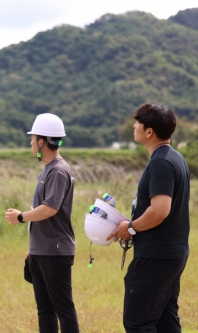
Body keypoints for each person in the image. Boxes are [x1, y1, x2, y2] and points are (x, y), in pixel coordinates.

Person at [108, 102, 190, 333]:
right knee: (165, 321)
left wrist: (131, 227)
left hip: (156, 256)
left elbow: (160, 210)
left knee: (138, 323)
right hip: (172, 254)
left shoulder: (161, 163)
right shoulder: (175, 158)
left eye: (138, 123)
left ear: (149, 131)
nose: (134, 126)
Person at [5, 113, 79, 333]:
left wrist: (20, 216)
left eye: (32, 138)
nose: (30, 143)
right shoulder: (50, 169)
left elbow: (50, 208)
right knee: (45, 310)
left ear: (41, 141)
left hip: (55, 251)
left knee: (63, 309)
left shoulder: (58, 170)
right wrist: (34, 247)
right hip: (43, 250)